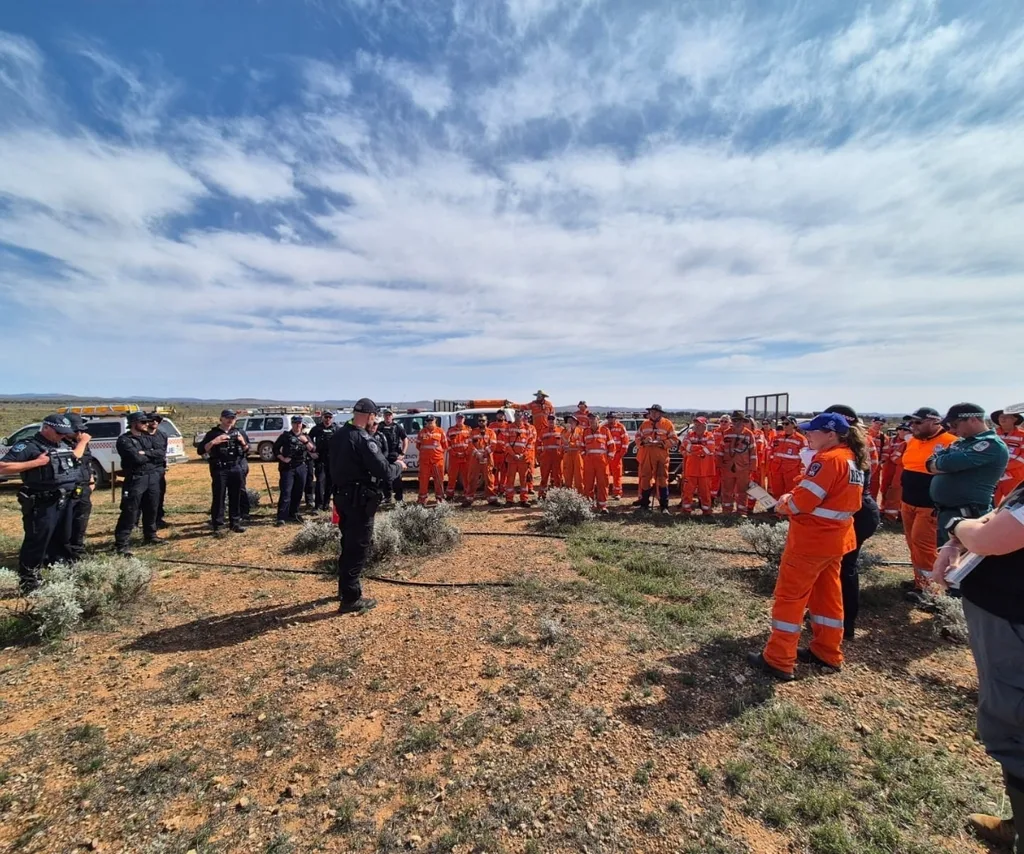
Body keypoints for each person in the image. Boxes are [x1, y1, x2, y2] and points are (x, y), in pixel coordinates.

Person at [930, 483, 1024, 849]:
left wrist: (955, 527)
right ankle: (1016, 824)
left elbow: (993, 538)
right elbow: (1002, 516)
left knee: (1013, 725)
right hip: (1006, 615)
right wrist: (957, 542)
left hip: (1013, 621)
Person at [748, 412, 867, 680]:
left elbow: (803, 502)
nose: (808, 435)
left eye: (813, 431)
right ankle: (827, 652)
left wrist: (784, 502)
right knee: (827, 598)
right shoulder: (851, 459)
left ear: (831, 434)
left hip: (811, 542)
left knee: (790, 599)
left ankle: (778, 659)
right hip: (835, 540)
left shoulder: (827, 460)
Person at [328, 398, 406, 613]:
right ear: (371, 416)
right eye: (375, 417)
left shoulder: (339, 435)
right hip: (359, 500)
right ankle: (351, 598)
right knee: (358, 547)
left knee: (348, 543)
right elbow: (384, 471)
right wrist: (398, 466)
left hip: (342, 496)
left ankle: (344, 589)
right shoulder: (362, 439)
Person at [0, 414, 87, 592]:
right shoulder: (28, 445)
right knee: (37, 541)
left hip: (65, 500)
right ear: (46, 428)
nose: (62, 436)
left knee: (62, 539)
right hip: (42, 502)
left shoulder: (61, 444)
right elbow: (3, 466)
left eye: (65, 433)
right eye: (59, 432)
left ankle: (59, 573)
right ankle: (29, 581)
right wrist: (37, 462)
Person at [822, 405, 881, 640]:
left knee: (844, 567)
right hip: (860, 511)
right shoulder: (858, 446)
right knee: (840, 567)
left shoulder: (841, 453)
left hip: (854, 514)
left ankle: (844, 624)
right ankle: (835, 617)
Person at [928, 403, 1007, 550]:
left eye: (955, 424)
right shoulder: (962, 442)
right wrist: (942, 465)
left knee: (964, 563)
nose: (953, 429)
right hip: (948, 513)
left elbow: (948, 463)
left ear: (972, 420)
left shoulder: (990, 444)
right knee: (946, 558)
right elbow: (930, 462)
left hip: (969, 515)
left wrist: (943, 465)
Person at [900, 406, 953, 600]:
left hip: (929, 505)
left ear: (934, 422)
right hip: (908, 501)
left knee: (924, 546)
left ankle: (931, 591)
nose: (912, 426)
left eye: (918, 422)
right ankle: (919, 581)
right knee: (912, 543)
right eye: (911, 422)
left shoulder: (950, 442)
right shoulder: (913, 440)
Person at [113, 412, 162, 557]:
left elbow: (160, 453)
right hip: (136, 478)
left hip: (151, 476)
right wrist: (149, 454)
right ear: (134, 423)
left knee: (152, 507)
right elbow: (136, 458)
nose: (147, 424)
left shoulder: (148, 437)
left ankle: (150, 535)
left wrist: (145, 453)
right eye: (143, 422)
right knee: (130, 511)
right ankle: (122, 544)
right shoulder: (124, 440)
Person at [197, 410, 249, 537]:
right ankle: (218, 525)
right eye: (227, 418)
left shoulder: (239, 432)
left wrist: (242, 442)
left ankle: (235, 523)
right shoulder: (213, 433)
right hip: (220, 469)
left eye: (232, 418)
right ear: (221, 419)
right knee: (219, 496)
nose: (230, 420)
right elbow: (200, 450)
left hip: (236, 467)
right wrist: (214, 441)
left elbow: (247, 449)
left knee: (235, 495)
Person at [634, 404, 678, 514]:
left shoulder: (667, 424)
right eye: (651, 412)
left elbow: (674, 440)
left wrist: (662, 443)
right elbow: (637, 438)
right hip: (646, 454)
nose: (653, 414)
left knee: (662, 479)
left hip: (661, 455)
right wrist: (644, 441)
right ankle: (644, 505)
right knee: (645, 479)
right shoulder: (644, 424)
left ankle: (664, 507)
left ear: (660, 413)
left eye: (655, 412)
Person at [273, 415, 315, 526]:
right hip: (288, 468)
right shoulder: (285, 436)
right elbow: (275, 448)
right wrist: (282, 458)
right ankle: (281, 517)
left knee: (298, 491)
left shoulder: (305, 436)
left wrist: (305, 442)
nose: (298, 425)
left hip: (301, 466)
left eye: (299, 423)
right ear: (292, 424)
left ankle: (294, 513)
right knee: (286, 492)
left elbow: (313, 449)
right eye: (295, 423)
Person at [66, 413, 95, 562]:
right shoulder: (62, 444)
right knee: (66, 523)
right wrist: (82, 443)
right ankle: (65, 554)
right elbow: (73, 457)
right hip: (68, 489)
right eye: (77, 430)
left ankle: (78, 551)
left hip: (83, 488)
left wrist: (91, 480)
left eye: (81, 430)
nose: (80, 433)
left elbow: (87, 462)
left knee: (81, 521)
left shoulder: (82, 443)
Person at [717, 411, 757, 516]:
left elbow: (753, 452)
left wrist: (752, 467)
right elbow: (721, 449)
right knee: (727, 490)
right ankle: (726, 510)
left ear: (743, 421)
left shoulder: (748, 434)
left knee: (742, 491)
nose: (736, 423)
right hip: (728, 466)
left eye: (738, 420)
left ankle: (741, 511)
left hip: (743, 468)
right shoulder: (727, 432)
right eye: (734, 420)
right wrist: (720, 463)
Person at [679, 416, 716, 515]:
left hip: (705, 471)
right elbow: (685, 447)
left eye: (699, 424)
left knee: (705, 492)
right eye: (696, 424)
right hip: (690, 469)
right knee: (687, 492)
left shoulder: (710, 436)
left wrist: (693, 450)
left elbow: (710, 449)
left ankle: (707, 511)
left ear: (705, 425)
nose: (697, 426)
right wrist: (701, 448)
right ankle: (686, 511)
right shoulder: (689, 435)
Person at [581, 411, 615, 514]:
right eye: (590, 419)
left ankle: (602, 506)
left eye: (593, 419)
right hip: (589, 463)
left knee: (603, 484)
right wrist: (584, 456)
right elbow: (581, 446)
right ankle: (589, 506)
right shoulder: (585, 431)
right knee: (588, 484)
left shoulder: (605, 431)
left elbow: (611, 446)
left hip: (602, 463)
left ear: (598, 420)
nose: (591, 421)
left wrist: (607, 459)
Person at [464, 415, 499, 507]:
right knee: (472, 478)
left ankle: (491, 498)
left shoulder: (491, 432)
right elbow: (470, 444)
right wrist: (477, 454)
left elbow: (493, 445)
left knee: (489, 479)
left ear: (486, 421)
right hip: (475, 459)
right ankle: (469, 499)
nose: (481, 422)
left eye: (483, 421)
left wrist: (484, 454)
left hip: (487, 459)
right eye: (479, 421)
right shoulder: (473, 432)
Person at [768, 417, 807, 498]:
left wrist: (801, 472)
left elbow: (804, 458)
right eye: (783, 424)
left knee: (791, 493)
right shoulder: (777, 437)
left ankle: (788, 510)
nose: (784, 426)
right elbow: (770, 451)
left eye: (787, 424)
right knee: (776, 491)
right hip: (776, 469)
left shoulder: (801, 439)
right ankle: (778, 509)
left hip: (792, 471)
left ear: (793, 425)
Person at [505, 410, 537, 506]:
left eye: (520, 415)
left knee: (524, 480)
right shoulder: (509, 427)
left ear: (522, 416)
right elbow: (506, 443)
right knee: (510, 480)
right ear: (514, 416)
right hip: (512, 459)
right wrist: (513, 454)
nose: (518, 416)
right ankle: (509, 500)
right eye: (517, 415)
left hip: (524, 459)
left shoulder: (527, 429)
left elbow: (530, 444)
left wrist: (523, 454)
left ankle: (524, 499)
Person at [993, 406, 1024, 505]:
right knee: (991, 506)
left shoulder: (1022, 435)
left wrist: (1004, 467)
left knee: (1014, 507)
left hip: (1014, 478)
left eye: (1006, 416)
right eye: (1000, 417)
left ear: (1015, 419)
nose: (1002, 419)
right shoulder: (992, 434)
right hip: (993, 477)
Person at [376, 410, 408, 505]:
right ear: (384, 416)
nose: (388, 417)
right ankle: (387, 497)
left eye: (389, 415)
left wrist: (403, 453)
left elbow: (405, 439)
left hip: (395, 456)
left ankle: (399, 498)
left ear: (392, 416)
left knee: (397, 478)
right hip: (383, 456)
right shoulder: (379, 426)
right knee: (385, 478)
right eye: (386, 415)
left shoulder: (397, 427)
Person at [880, 424, 910, 521]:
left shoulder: (908, 443)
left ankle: (896, 515)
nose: (902, 431)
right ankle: (884, 511)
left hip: (901, 472)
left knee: (897, 493)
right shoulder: (890, 440)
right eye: (900, 429)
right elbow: (893, 457)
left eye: (905, 430)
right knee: (885, 490)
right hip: (888, 470)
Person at [309, 411, 338, 512]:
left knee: (330, 483)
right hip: (320, 459)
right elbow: (308, 438)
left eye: (330, 417)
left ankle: (326, 504)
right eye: (326, 417)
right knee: (320, 482)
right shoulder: (317, 428)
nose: (328, 419)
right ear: (322, 418)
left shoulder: (336, 428)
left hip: (332, 460)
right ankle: (318, 506)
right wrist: (312, 451)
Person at [415, 414, 448, 504]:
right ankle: (422, 498)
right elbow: (418, 445)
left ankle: (439, 498)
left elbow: (445, 446)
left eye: (431, 421)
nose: (430, 423)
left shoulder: (440, 431)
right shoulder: (422, 432)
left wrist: (437, 454)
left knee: (439, 480)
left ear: (435, 421)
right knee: (423, 480)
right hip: (425, 461)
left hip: (437, 461)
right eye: (428, 421)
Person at [145, 413, 170, 529]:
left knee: (159, 495)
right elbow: (138, 455)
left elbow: (162, 453)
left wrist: (148, 453)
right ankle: (135, 522)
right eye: (152, 419)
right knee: (141, 498)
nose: (155, 422)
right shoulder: (141, 436)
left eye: (157, 420)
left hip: (159, 470)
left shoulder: (162, 435)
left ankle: (158, 519)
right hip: (144, 471)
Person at [603, 412, 630, 501]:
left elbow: (625, 442)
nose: (610, 419)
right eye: (609, 418)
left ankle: (617, 493)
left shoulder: (620, 427)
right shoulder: (604, 427)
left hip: (617, 454)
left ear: (615, 418)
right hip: (606, 455)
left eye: (612, 418)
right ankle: (605, 493)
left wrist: (620, 455)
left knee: (617, 475)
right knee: (604, 474)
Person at [446, 414, 472, 501]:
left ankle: (467, 495)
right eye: (458, 418)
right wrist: (454, 453)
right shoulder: (450, 430)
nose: (459, 420)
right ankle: (449, 495)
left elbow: (471, 444)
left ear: (464, 419)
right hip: (454, 458)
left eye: (461, 418)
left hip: (466, 457)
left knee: (466, 477)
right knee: (452, 477)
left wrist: (466, 452)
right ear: (455, 419)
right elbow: (447, 444)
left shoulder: (469, 430)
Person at [537, 416, 564, 499]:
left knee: (557, 477)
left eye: (553, 420)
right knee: (544, 477)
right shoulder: (543, 431)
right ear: (547, 421)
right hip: (546, 457)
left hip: (557, 458)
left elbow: (564, 443)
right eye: (549, 420)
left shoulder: (561, 430)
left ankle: (557, 496)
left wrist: (561, 455)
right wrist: (539, 455)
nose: (551, 421)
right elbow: (538, 443)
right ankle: (542, 495)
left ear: (556, 421)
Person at [561, 414, 585, 493]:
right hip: (567, 455)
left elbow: (580, 444)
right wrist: (568, 432)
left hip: (577, 455)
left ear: (576, 422)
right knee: (567, 476)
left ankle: (580, 496)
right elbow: (564, 443)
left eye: (571, 421)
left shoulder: (580, 431)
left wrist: (570, 444)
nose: (570, 423)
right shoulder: (564, 431)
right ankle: (569, 496)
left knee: (579, 477)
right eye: (568, 422)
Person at [490, 410, 511, 497]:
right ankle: (494, 489)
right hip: (494, 453)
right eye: (499, 415)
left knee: (504, 472)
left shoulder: (508, 426)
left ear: (504, 416)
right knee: (494, 472)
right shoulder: (491, 426)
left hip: (504, 453)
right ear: (496, 416)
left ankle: (502, 489)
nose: (500, 416)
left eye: (502, 415)